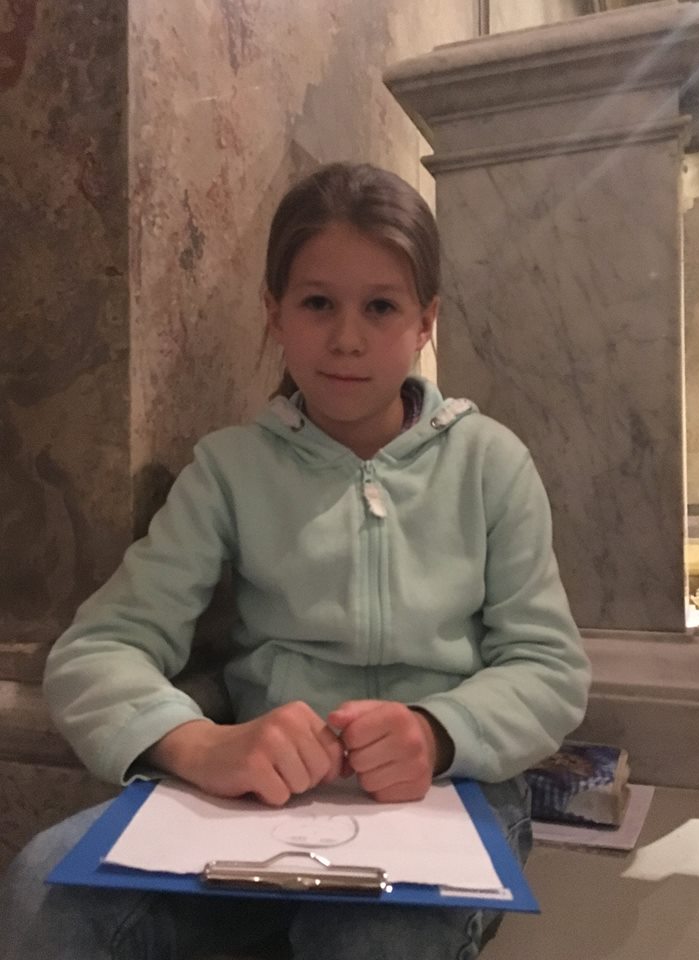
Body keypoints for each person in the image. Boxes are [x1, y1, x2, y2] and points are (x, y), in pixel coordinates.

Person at [0, 162, 590, 960]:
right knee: (44, 889)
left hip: (450, 794)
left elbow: (549, 666)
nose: (346, 337)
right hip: (260, 801)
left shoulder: (491, 463)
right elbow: (99, 649)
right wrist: (201, 745)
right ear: (274, 312)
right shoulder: (229, 470)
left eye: (380, 306)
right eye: (318, 303)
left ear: (425, 320)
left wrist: (437, 732)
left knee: (371, 933)